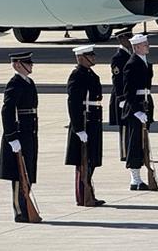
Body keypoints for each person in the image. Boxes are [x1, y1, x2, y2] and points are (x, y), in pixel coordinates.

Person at [0, 52, 40, 223]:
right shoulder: (14, 84)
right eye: (27, 63)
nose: (31, 66)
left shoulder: (28, 82)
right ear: (17, 65)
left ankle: (25, 205)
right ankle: (20, 210)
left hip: (29, 132)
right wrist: (11, 137)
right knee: (19, 175)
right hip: (19, 133)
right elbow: (7, 111)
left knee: (27, 171)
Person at [65, 44, 105, 206]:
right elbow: (73, 103)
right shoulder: (77, 75)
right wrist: (78, 129)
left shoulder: (90, 74)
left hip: (93, 121)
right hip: (84, 122)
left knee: (92, 160)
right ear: (81, 58)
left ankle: (89, 193)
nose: (94, 58)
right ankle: (83, 196)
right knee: (83, 162)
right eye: (90, 55)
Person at [121, 33, 155, 190]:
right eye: (144, 44)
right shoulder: (132, 64)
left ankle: (140, 177)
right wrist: (136, 111)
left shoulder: (145, 62)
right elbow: (128, 92)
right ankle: (135, 179)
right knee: (135, 144)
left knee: (143, 144)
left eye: (146, 43)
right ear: (136, 47)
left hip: (145, 105)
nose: (147, 45)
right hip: (136, 109)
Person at [109, 31, 133, 161]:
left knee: (130, 124)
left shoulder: (131, 53)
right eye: (128, 37)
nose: (130, 39)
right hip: (121, 95)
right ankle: (124, 152)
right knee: (124, 125)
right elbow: (117, 79)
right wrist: (121, 98)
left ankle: (131, 149)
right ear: (120, 39)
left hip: (129, 94)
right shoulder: (118, 57)